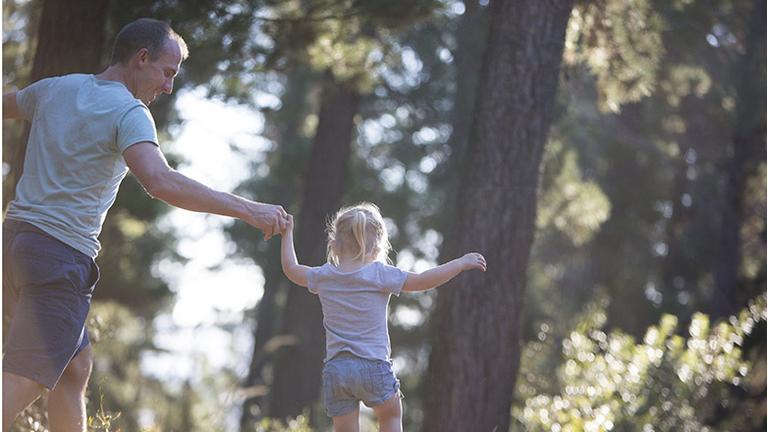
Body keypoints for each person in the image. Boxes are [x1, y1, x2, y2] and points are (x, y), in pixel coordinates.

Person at [2, 18, 288, 432]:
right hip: (58, 258)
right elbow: (161, 181)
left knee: (74, 367)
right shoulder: (129, 111)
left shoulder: (55, 88)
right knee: (23, 380)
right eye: (167, 73)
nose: (168, 86)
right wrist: (248, 210)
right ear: (141, 58)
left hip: (13, 247)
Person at [280, 202, 486, 432]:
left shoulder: (323, 276)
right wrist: (459, 263)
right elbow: (424, 280)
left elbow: (291, 268)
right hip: (372, 364)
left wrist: (287, 233)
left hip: (337, 370)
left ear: (333, 245)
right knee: (390, 417)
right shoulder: (379, 273)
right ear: (376, 251)